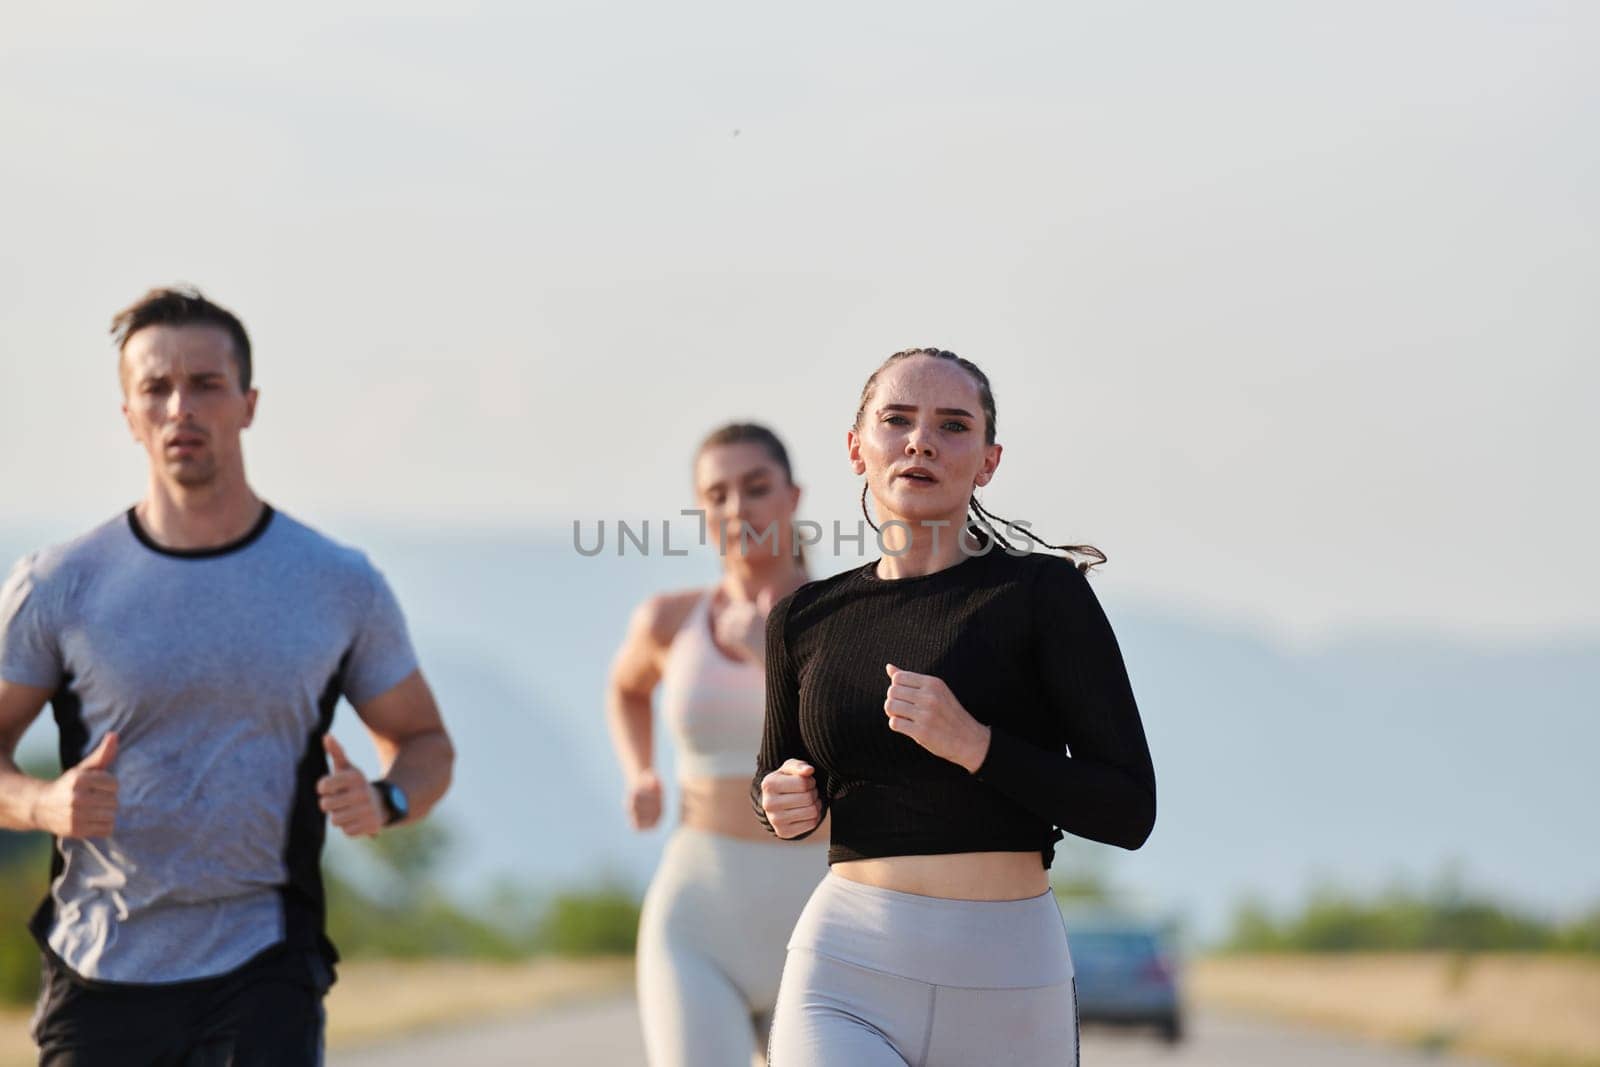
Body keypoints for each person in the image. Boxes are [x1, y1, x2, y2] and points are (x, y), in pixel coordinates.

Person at [0, 287, 455, 1066]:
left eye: (206, 384)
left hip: (262, 962)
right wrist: (43, 800)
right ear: (129, 415)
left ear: (247, 404)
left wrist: (386, 799)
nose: (182, 406)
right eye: (156, 388)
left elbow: (424, 741)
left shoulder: (335, 582)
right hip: (100, 964)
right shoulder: (60, 584)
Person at [755, 348, 1157, 1066]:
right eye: (897, 420)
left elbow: (1129, 809)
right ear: (857, 447)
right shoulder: (803, 618)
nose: (921, 441)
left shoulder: (1042, 595)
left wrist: (977, 745)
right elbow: (778, 781)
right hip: (845, 967)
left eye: (952, 425)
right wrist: (783, 801)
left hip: (1008, 979)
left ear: (989, 460)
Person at [608, 423, 827, 1067]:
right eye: (717, 494)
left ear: (792, 496)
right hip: (699, 922)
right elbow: (626, 690)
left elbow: (867, 743)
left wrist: (767, 648)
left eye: (756, 488)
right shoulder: (669, 620)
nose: (737, 508)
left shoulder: (850, 616)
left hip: (824, 920)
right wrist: (640, 771)